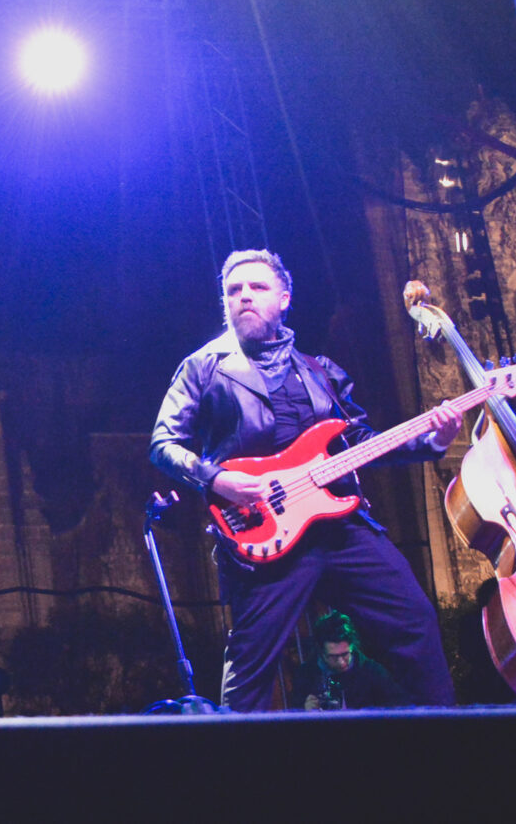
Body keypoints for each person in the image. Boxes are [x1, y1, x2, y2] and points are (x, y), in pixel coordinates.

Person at [150, 248, 464, 711]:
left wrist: (432, 440)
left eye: (257, 288)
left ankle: (447, 742)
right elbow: (164, 443)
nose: (245, 297)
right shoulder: (204, 367)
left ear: (284, 298)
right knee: (250, 671)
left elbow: (361, 441)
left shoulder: (319, 370)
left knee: (415, 621)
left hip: (339, 526)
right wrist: (217, 480)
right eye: (234, 291)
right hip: (263, 535)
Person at [298, 616, 406, 710]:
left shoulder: (373, 672)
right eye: (333, 657)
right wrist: (304, 712)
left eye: (345, 654)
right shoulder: (306, 675)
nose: (341, 662)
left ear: (352, 647)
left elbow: (399, 707)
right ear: (321, 652)